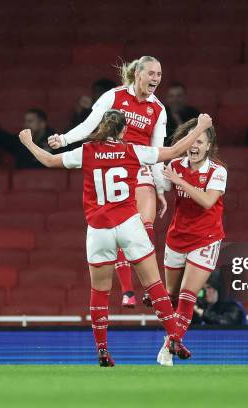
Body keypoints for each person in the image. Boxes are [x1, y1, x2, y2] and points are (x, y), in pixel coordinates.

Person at [18, 108, 213, 366]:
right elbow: (175, 151)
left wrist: (29, 142)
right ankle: (174, 337)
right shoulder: (133, 150)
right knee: (154, 285)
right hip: (129, 224)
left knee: (100, 291)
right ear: (123, 131)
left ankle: (102, 348)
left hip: (98, 229)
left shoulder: (86, 152)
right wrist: (200, 128)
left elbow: (49, 160)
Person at [48, 56, 167, 308]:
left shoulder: (158, 109)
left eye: (159, 74)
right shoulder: (113, 96)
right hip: (110, 163)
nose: (156, 79)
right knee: (120, 222)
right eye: (151, 73)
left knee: (143, 224)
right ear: (138, 74)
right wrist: (65, 139)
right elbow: (89, 125)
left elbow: (158, 150)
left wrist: (160, 187)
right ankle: (127, 291)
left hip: (139, 165)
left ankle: (148, 288)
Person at [141, 118, 228, 366]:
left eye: (199, 141)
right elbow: (161, 183)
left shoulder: (217, 171)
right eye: (191, 141)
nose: (194, 146)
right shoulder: (176, 164)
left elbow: (207, 201)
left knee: (188, 296)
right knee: (170, 297)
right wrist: (157, 188)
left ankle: (169, 347)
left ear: (208, 145)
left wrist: (180, 181)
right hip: (177, 237)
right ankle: (175, 339)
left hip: (206, 239)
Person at [0, 98, 61, 168]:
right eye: (25, 121)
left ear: (42, 124)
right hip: (23, 186)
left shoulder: (57, 142)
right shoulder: (20, 142)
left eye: (30, 121)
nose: (26, 125)